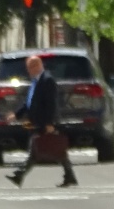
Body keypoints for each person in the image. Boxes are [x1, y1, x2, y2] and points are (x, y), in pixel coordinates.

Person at [6, 55, 76, 188]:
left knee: (46, 148)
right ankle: (69, 176)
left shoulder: (47, 80)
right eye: (28, 68)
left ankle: (19, 175)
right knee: (46, 149)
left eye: (30, 67)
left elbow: (52, 103)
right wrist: (16, 115)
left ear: (38, 66)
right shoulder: (35, 82)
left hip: (45, 121)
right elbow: (28, 103)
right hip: (37, 121)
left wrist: (50, 123)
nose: (28, 70)